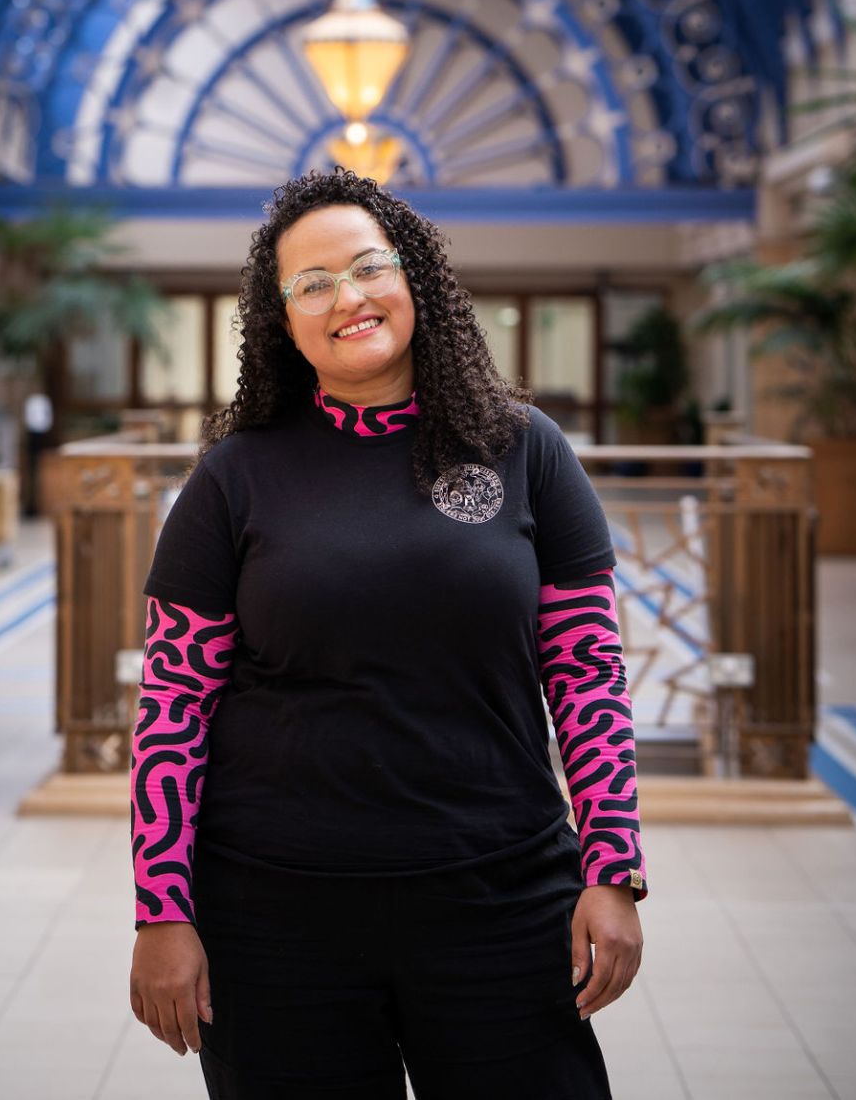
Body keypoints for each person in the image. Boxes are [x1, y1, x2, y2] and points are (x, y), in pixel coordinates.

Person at [129, 170, 646, 1100]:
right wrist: (161, 911)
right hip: (276, 913)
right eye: (312, 284)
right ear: (281, 320)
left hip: (501, 893)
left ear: (416, 279)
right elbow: (172, 706)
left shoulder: (526, 449)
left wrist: (612, 867)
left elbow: (588, 673)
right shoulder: (233, 477)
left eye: (369, 267)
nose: (349, 298)